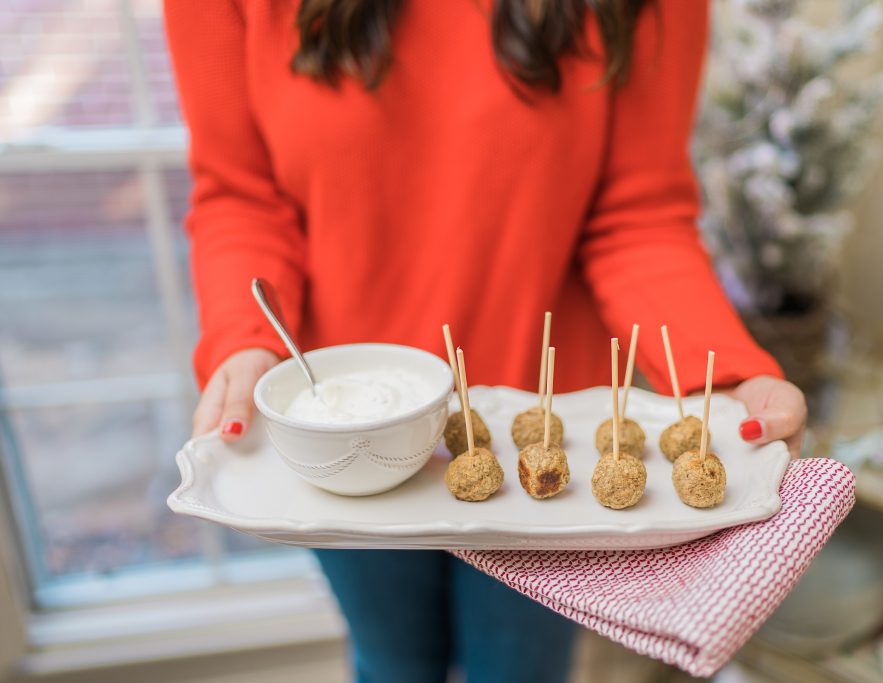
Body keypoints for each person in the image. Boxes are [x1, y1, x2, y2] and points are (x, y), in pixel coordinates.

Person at [165, 0, 807, 680]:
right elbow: (242, 194)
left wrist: (726, 374)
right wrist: (245, 336)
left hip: (550, 441)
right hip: (341, 426)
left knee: (521, 668)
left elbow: (636, 214)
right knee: (392, 662)